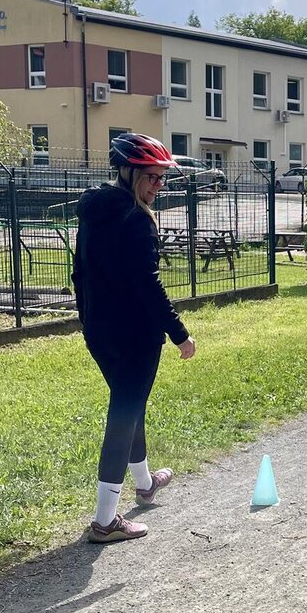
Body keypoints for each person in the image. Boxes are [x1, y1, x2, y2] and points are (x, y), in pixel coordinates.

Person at [73, 132, 197, 544]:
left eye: (162, 178)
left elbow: (80, 273)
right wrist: (180, 334)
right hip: (135, 336)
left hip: (100, 332)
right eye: (151, 177)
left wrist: (89, 320)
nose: (158, 186)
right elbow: (148, 285)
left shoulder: (93, 211)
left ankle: (145, 483)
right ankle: (105, 520)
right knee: (123, 415)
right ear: (128, 173)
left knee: (130, 405)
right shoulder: (136, 219)